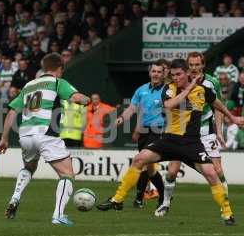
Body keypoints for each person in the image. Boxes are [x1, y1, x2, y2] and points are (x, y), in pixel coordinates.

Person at [97, 59, 244, 225]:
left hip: (191, 143)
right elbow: (169, 105)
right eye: (173, 75)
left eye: (179, 74)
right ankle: (117, 199)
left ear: (188, 73)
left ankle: (227, 214)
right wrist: (189, 88)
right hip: (169, 140)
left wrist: (232, 117)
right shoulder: (169, 89)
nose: (176, 78)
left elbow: (216, 102)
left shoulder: (202, 90)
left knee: (211, 174)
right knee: (140, 159)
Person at [0, 53, 90, 226]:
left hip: (25, 134)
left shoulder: (29, 85)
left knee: (29, 167)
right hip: (46, 133)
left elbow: (11, 112)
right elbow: (77, 98)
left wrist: (4, 138)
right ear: (60, 68)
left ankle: (15, 197)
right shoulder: (57, 82)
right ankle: (58, 216)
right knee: (67, 174)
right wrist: (87, 100)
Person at [156, 52, 229, 217]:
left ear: (203, 65)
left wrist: (219, 131)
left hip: (205, 129)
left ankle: (225, 208)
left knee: (217, 170)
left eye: (197, 65)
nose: (194, 68)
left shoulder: (212, 83)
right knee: (172, 171)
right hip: (183, 133)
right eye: (191, 65)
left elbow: (218, 106)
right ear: (187, 67)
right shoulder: (179, 83)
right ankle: (165, 203)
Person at [115, 61, 166, 209]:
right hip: (144, 131)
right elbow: (132, 108)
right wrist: (122, 118)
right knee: (149, 168)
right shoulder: (141, 90)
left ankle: (137, 198)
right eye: (153, 71)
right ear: (150, 73)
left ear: (163, 74)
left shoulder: (167, 91)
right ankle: (163, 196)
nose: (155, 74)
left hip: (158, 131)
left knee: (142, 163)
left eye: (158, 72)